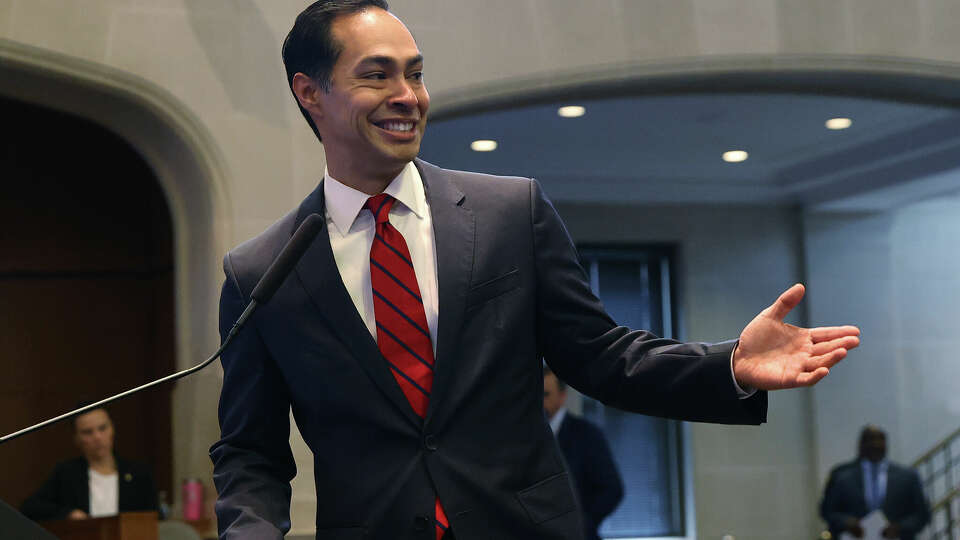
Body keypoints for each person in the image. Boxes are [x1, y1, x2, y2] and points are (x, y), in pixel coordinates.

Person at [209, 1, 861, 538]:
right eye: (378, 75)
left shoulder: (507, 214)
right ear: (309, 93)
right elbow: (250, 453)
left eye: (416, 73)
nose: (408, 96)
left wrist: (729, 367)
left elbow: (603, 357)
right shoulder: (260, 273)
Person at [21, 406, 157, 522]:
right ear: (77, 438)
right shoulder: (67, 473)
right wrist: (68, 513)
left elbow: (155, 517)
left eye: (102, 428)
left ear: (112, 430)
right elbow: (30, 507)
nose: (97, 437)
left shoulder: (138, 473)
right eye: (88, 432)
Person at [543, 366, 623, 540]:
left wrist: (583, 522)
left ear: (562, 397)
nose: (540, 403)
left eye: (546, 395)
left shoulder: (586, 434)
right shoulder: (528, 437)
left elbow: (612, 489)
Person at [820, 426, 930, 540]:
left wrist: (899, 527)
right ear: (861, 444)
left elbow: (922, 514)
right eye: (870, 439)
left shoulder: (908, 476)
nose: (875, 444)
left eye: (880, 440)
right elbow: (827, 510)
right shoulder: (841, 474)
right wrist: (847, 522)